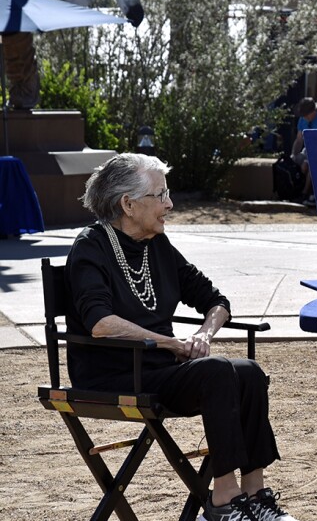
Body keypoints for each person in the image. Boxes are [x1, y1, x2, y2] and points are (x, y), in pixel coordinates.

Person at [65, 153, 298, 521]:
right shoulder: (91, 246)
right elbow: (101, 324)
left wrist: (204, 333)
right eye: (160, 195)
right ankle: (223, 503)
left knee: (248, 371)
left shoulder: (157, 245)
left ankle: (255, 496)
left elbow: (215, 300)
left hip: (158, 371)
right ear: (128, 204)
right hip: (111, 374)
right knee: (217, 371)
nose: (169, 204)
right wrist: (172, 344)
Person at [292, 98, 317, 207]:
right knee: (295, 162)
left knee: (311, 165)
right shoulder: (303, 119)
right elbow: (299, 140)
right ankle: (293, 191)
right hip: (307, 149)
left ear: (314, 111)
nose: (305, 117)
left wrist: (307, 160)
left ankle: (305, 194)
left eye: (307, 114)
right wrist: (294, 155)